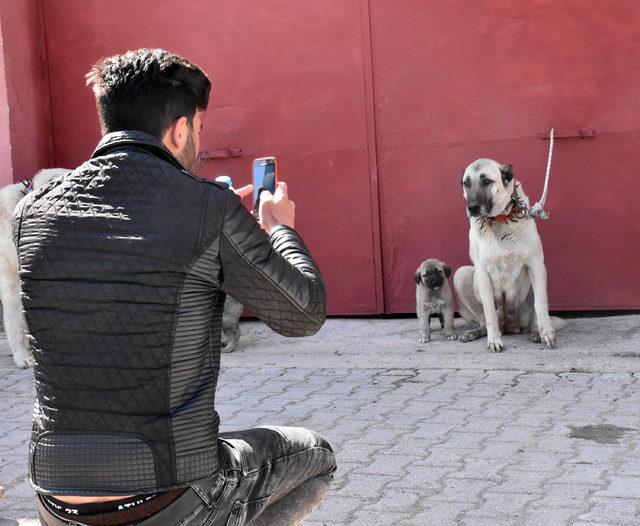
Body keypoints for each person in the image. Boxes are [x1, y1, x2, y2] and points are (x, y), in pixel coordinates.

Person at [14, 48, 336, 526]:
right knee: (317, 457)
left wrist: (222, 228)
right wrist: (276, 230)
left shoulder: (32, 213)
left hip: (55, 498)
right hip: (170, 496)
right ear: (180, 128)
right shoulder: (209, 208)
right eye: (200, 131)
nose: (198, 145)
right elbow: (303, 312)